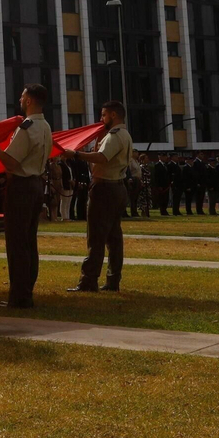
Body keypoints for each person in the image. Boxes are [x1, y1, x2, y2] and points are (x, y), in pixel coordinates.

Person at [0, 83, 52, 309]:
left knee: (17, 243)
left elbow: (11, 162)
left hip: (21, 186)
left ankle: (19, 296)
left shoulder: (27, 127)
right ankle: (26, 290)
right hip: (36, 184)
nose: (20, 100)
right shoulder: (45, 126)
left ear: (29, 100)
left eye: (22, 97)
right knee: (29, 241)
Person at [69, 100, 132, 293]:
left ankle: (89, 280)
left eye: (104, 115)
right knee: (113, 237)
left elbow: (102, 158)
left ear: (113, 115)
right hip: (116, 187)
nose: (101, 119)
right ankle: (113, 280)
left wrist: (77, 155)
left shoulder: (114, 135)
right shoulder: (124, 134)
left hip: (105, 188)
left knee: (96, 237)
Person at [69, 153, 90, 221]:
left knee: (84, 199)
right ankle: (79, 215)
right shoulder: (76, 161)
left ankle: (83, 215)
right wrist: (79, 182)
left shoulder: (84, 161)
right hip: (79, 180)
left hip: (85, 180)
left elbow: (86, 171)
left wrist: (87, 181)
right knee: (78, 199)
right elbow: (77, 172)